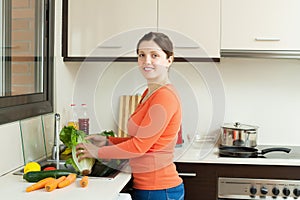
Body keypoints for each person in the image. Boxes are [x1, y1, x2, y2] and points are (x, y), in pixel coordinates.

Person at [76, 32, 184, 200]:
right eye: (142, 55)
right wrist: (107, 141)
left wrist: (98, 152)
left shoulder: (164, 96)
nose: (146, 61)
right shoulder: (149, 92)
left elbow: (139, 147)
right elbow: (139, 140)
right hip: (151, 187)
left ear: (169, 60)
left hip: (159, 190)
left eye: (154, 55)